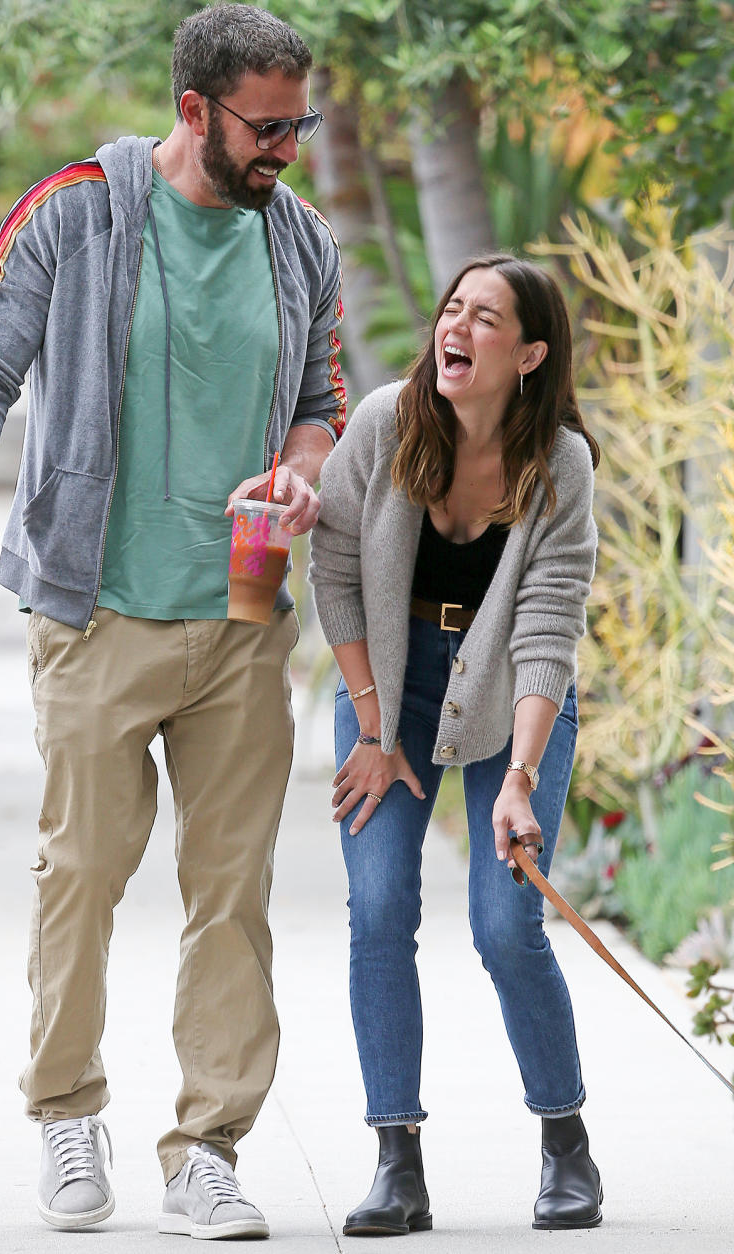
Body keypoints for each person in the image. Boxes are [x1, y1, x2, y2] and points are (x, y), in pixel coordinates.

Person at [0, 3, 345, 1238]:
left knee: (230, 893)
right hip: (99, 610)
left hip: (244, 616)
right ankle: (66, 1114)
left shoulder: (300, 239)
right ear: (194, 109)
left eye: (298, 125)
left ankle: (207, 1145)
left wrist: (304, 465)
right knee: (83, 877)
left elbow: (319, 394)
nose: (286, 150)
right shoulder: (77, 213)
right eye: (266, 128)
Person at [309, 254, 602, 1235]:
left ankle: (566, 1144)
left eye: (486, 317)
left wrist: (519, 778)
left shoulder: (559, 462)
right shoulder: (387, 426)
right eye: (453, 308)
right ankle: (398, 1162)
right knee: (381, 906)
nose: (458, 326)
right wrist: (373, 726)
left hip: (512, 692)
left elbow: (548, 629)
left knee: (506, 922)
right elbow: (337, 573)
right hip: (389, 684)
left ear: (528, 353)